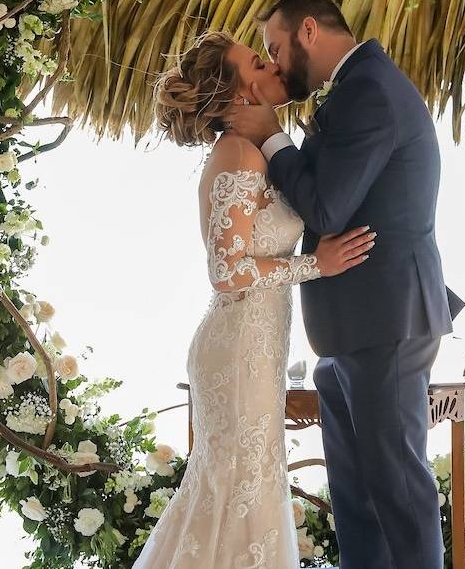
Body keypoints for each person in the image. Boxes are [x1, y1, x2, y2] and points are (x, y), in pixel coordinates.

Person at [226, 0, 465, 568]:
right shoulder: (353, 87)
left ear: (309, 29)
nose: (277, 64)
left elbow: (328, 208)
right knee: (356, 499)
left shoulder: (369, 91)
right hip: (345, 330)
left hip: (387, 320)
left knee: (398, 487)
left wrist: (272, 138)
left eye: (278, 48)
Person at [131, 31, 376, 569]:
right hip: (238, 347)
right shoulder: (238, 153)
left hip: (254, 346)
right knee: (239, 490)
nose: (271, 66)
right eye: (257, 63)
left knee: (242, 489)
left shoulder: (254, 151)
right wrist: (320, 264)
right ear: (241, 96)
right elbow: (228, 271)